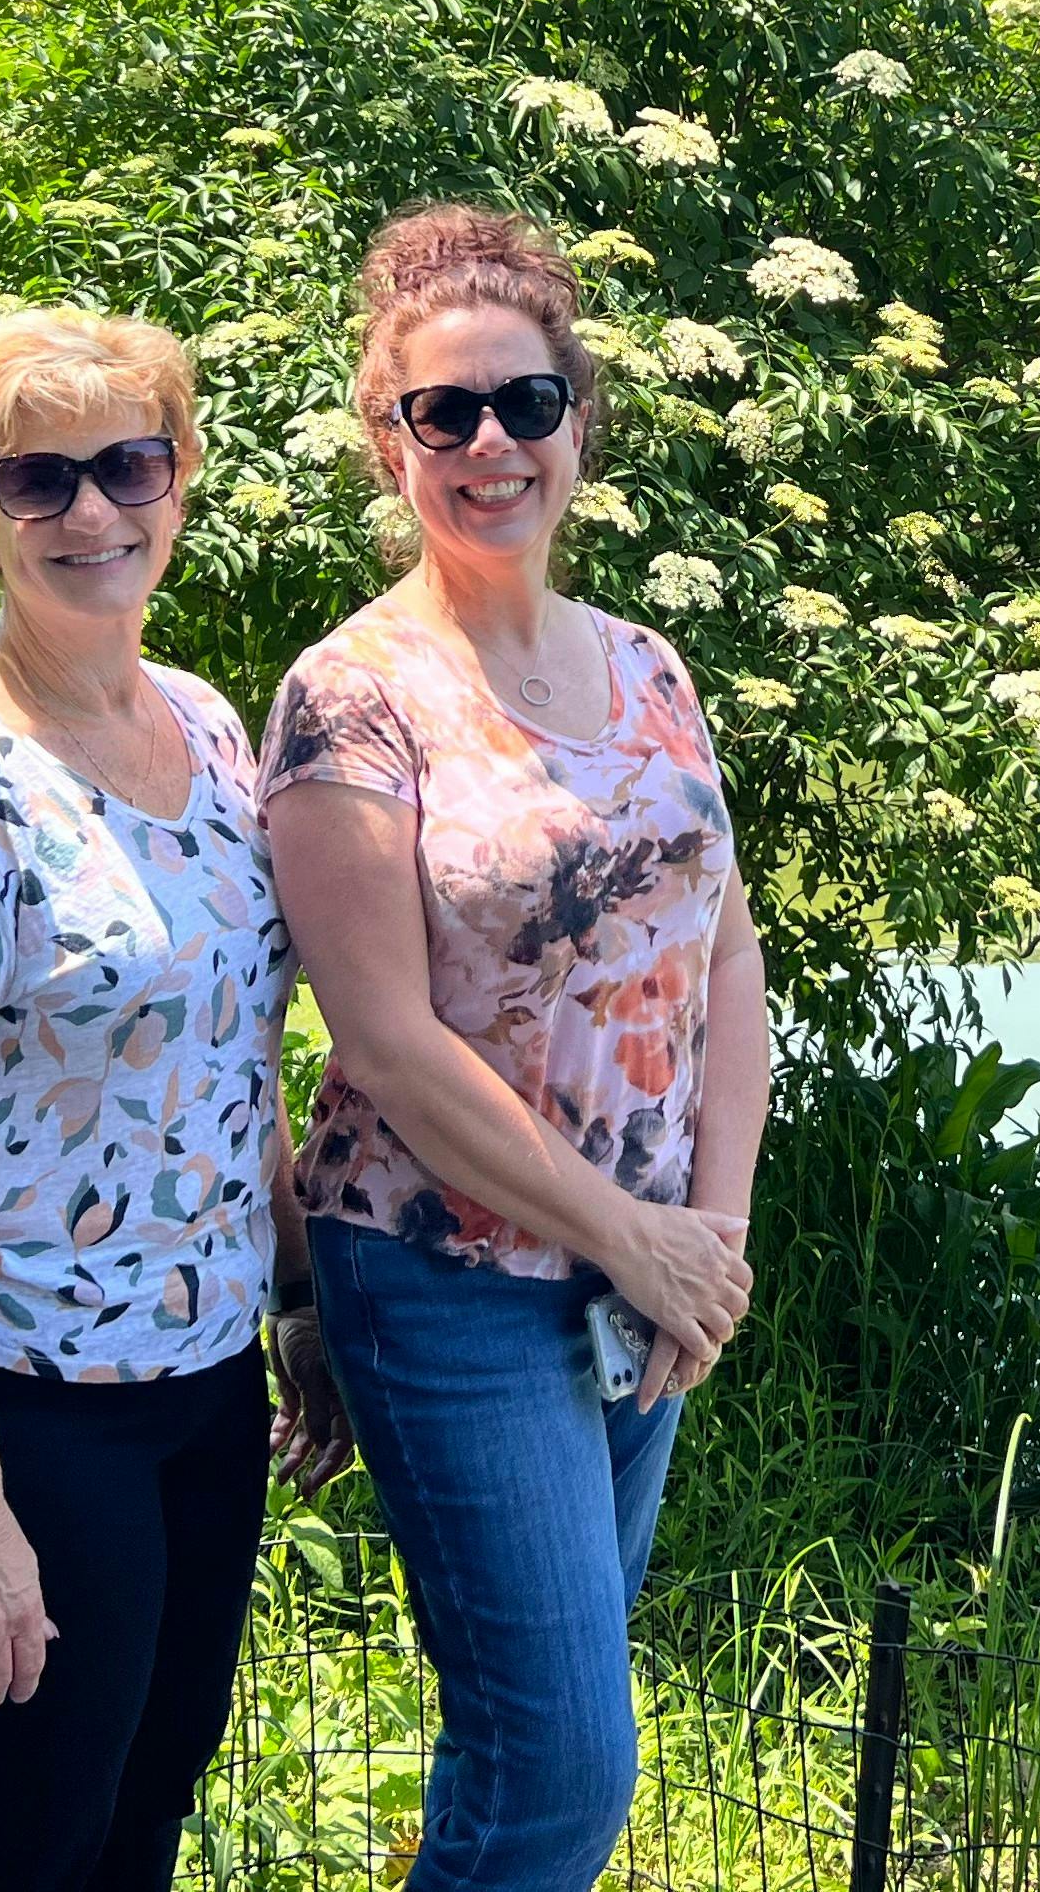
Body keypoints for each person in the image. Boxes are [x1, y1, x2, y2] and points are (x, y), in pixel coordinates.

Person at [259, 206, 775, 1892]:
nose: (491, 444)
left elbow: (726, 958)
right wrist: (635, 1238)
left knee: (529, 1736)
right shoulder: (352, 698)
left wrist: (709, 1237)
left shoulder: (649, 668)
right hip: (448, 1281)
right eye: (446, 412)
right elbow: (389, 1045)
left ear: (579, 423)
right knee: (563, 1765)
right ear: (389, 440)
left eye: (526, 404)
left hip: (646, 1283)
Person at [0, 308, 351, 1892]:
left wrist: (298, 1299)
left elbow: (227, 1056)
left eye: (130, 465)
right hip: (17, 1403)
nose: (93, 510)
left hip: (200, 1391)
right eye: (38, 480)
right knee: (11, 1853)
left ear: (181, 481)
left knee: (137, 1826)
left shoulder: (203, 724)